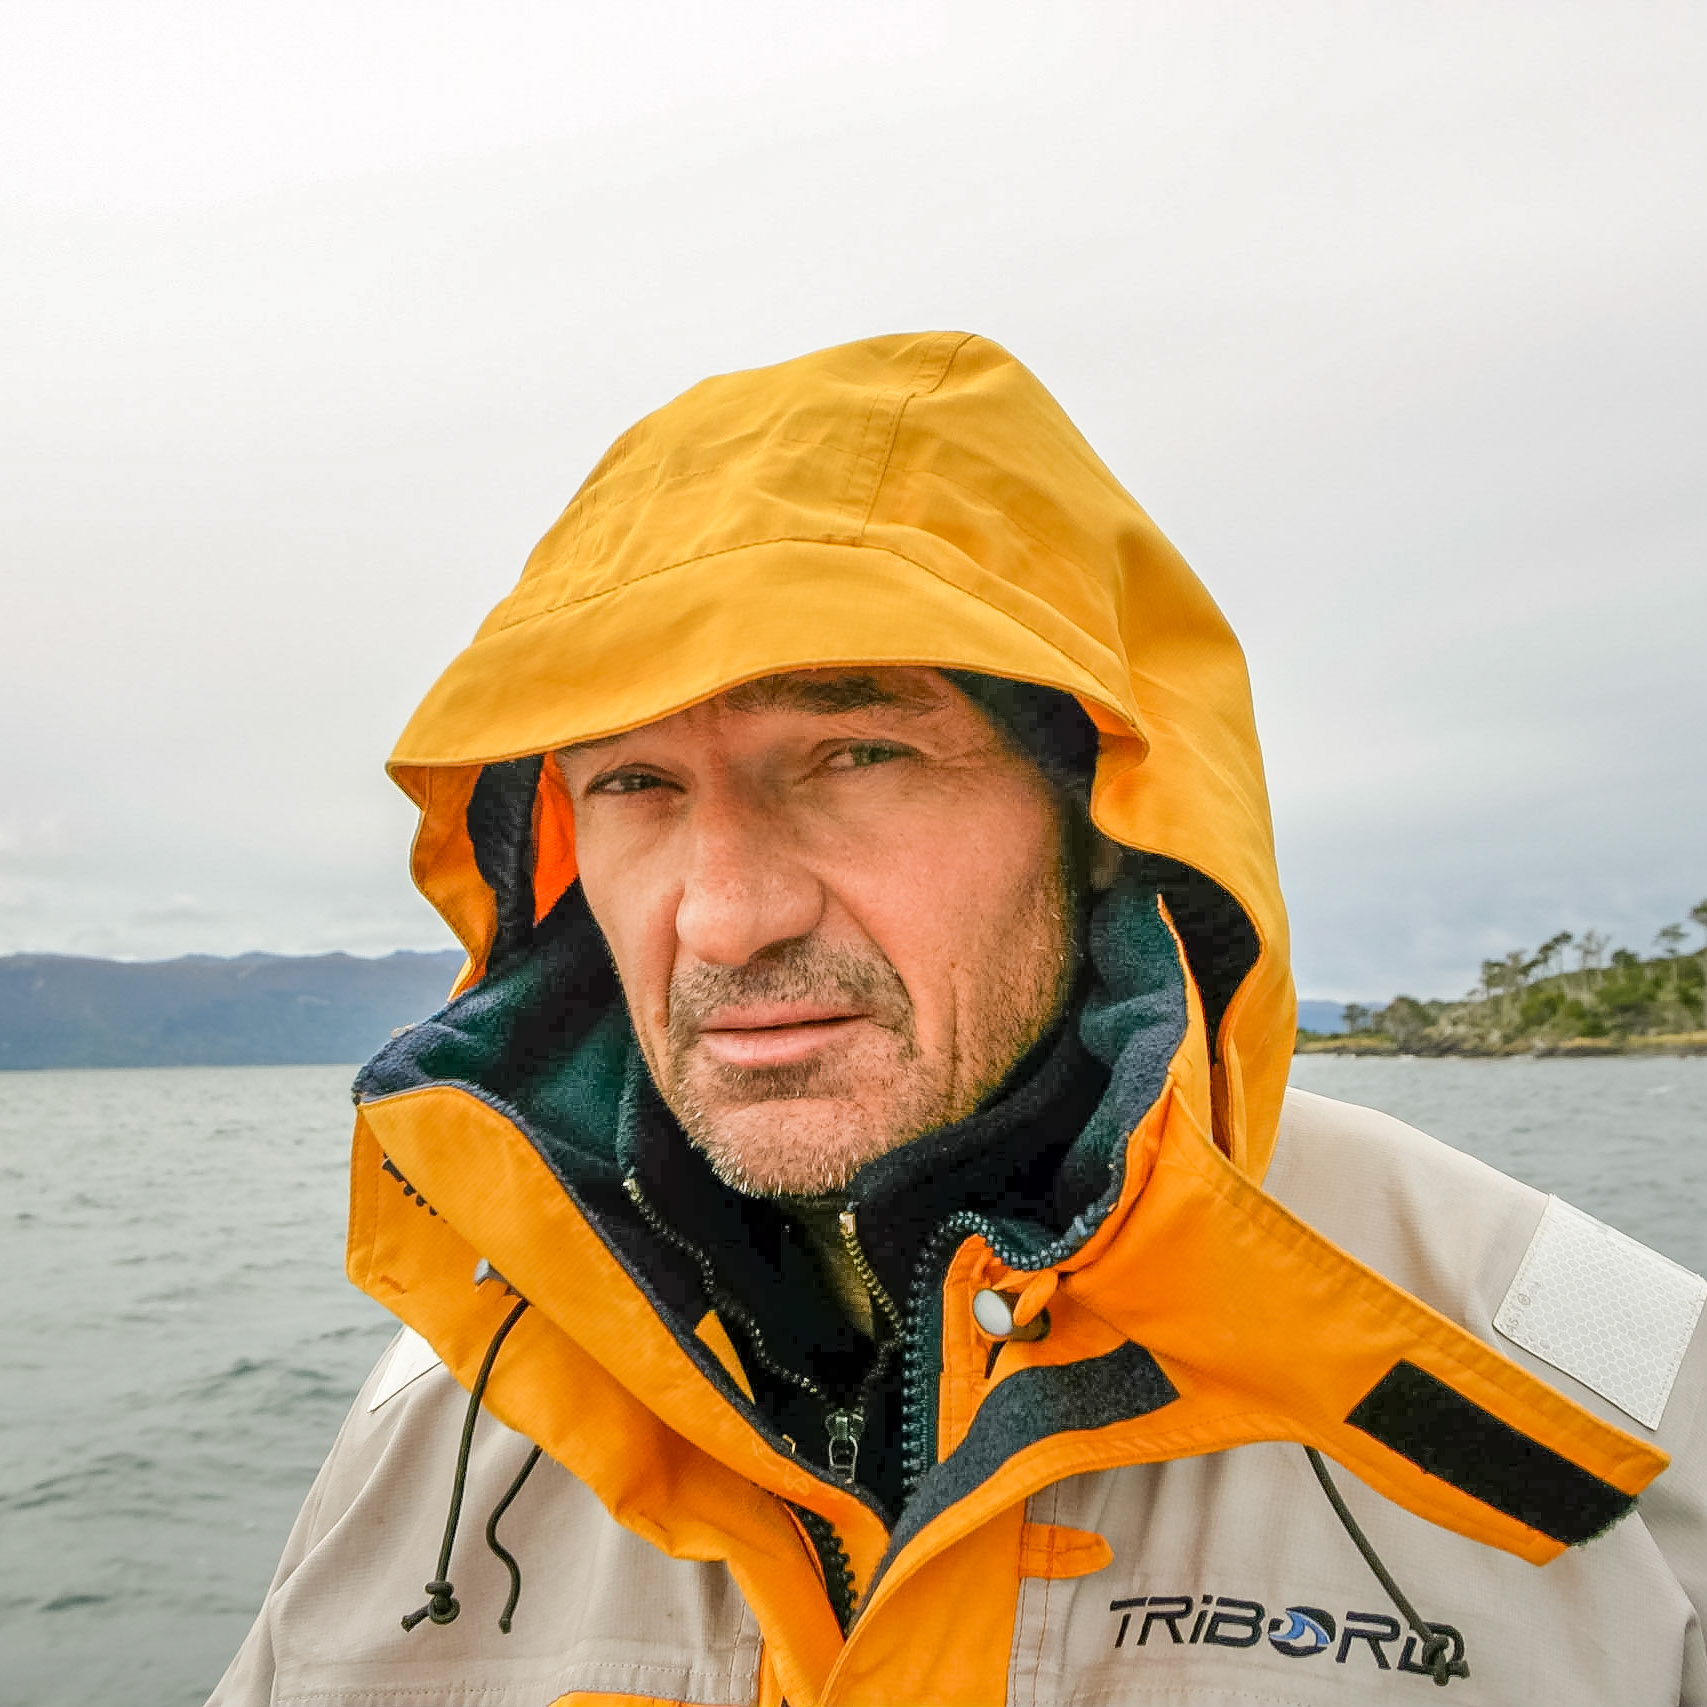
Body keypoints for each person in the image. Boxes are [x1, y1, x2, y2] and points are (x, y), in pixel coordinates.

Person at [209, 333, 1706, 1707]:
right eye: (635, 784)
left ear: (1102, 817)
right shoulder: (448, 1414)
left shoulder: (1591, 1401)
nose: (724, 917)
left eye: (858, 753)